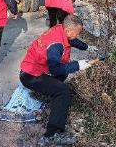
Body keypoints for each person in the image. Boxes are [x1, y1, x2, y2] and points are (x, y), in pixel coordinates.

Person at [19, 15, 99, 146]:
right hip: (30, 76)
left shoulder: (60, 29)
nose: (78, 35)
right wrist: (78, 65)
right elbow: (55, 69)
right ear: (68, 30)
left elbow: (72, 40)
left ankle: (50, 95)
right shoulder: (56, 45)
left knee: (64, 74)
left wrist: (87, 47)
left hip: (34, 70)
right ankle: (52, 135)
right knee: (64, 91)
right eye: (77, 32)